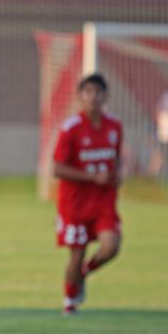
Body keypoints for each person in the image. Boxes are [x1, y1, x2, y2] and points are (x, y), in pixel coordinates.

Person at [52, 73, 122, 315]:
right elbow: (57, 168)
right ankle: (69, 302)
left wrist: (118, 173)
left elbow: (117, 158)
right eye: (88, 92)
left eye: (98, 92)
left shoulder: (114, 126)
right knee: (77, 253)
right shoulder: (70, 128)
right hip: (75, 204)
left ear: (105, 96)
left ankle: (83, 273)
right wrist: (92, 177)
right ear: (80, 96)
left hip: (103, 201)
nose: (93, 97)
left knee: (111, 246)